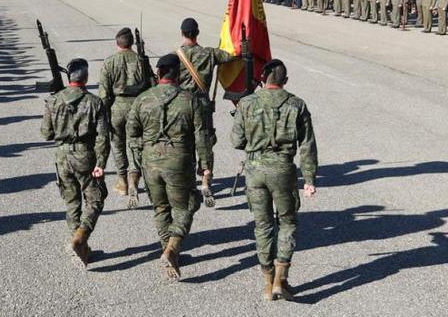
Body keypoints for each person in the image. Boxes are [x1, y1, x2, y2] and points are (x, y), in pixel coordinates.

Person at [231, 59, 318, 301]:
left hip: (255, 171)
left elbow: (236, 141)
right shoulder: (297, 105)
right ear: (285, 81)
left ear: (263, 79)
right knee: (287, 223)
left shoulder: (247, 103)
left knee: (263, 226)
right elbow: (307, 145)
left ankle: (268, 282)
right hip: (283, 170)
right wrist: (309, 178)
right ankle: (281, 277)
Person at [127, 53, 211, 281]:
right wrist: (205, 166)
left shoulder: (142, 99)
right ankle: (172, 248)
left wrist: (141, 156)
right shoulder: (190, 100)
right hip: (179, 161)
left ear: (158, 73)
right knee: (189, 203)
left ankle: (168, 250)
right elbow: (202, 136)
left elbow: (132, 133)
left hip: (151, 162)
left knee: (161, 208)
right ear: (179, 74)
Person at [40, 58, 109, 268]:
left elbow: (46, 134)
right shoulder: (95, 102)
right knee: (96, 199)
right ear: (86, 77)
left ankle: (79, 245)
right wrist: (101, 163)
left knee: (71, 203)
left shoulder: (53, 101)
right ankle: (81, 237)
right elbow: (103, 137)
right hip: (84, 155)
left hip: (62, 157)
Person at [175, 17, 234, 202]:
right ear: (197, 33)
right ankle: (206, 179)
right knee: (205, 139)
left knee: (184, 141)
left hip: (183, 105)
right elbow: (230, 55)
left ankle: (188, 180)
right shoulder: (209, 54)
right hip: (202, 104)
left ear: (182, 33)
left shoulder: (176, 56)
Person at [98, 27, 154, 206]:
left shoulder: (109, 62)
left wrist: (103, 114)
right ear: (131, 43)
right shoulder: (141, 61)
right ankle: (134, 179)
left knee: (118, 145)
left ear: (117, 43)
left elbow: (104, 94)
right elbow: (152, 85)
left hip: (116, 107)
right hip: (137, 107)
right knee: (136, 145)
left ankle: (122, 180)